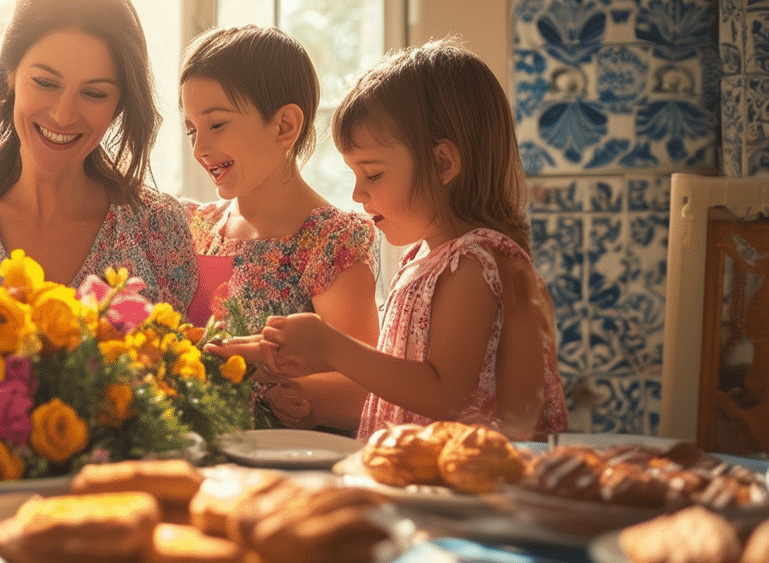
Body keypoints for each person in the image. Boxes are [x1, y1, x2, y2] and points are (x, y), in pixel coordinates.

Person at [207, 38, 568, 441]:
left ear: (443, 163)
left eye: (373, 174)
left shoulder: (476, 262)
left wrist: (330, 346)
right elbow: (398, 383)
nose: (358, 194)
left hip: (480, 488)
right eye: (354, 175)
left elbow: (444, 393)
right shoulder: (424, 257)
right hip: (430, 478)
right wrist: (274, 362)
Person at [0, 0, 196, 310]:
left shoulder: (159, 229)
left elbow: (187, 359)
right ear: (9, 74)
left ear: (120, 103)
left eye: (95, 93)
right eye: (45, 83)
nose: (63, 114)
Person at [180, 25, 379, 434]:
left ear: (284, 126)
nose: (199, 148)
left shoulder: (330, 241)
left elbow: (365, 389)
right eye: (191, 130)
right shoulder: (198, 228)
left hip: (288, 468)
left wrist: (282, 391)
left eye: (216, 124)